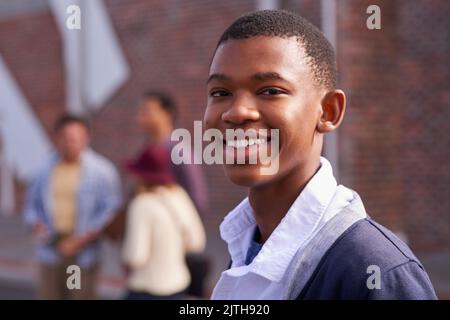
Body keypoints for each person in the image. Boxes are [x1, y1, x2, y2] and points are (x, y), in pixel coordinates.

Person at [204, 10, 437, 299]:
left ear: (328, 111)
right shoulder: (247, 246)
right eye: (220, 92)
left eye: (270, 90)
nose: (236, 112)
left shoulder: (374, 271)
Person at [23, 114, 122, 299]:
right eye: (66, 139)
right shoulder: (43, 169)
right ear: (57, 139)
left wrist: (84, 237)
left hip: (79, 253)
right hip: (51, 248)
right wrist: (36, 223)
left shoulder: (101, 171)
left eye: (75, 139)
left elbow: (110, 209)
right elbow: (31, 206)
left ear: (86, 139)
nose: (70, 144)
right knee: (51, 294)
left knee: (76, 294)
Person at [121, 145, 206, 300]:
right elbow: (197, 242)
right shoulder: (179, 195)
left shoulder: (141, 204)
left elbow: (136, 256)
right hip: (178, 284)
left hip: (146, 288)